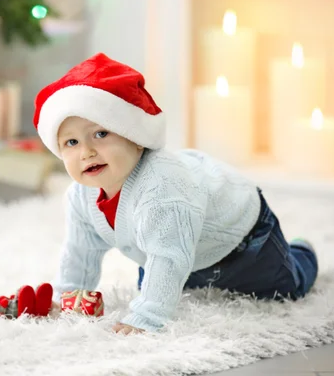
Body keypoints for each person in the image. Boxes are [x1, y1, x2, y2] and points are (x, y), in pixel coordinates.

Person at [32, 53, 318, 335]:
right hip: (173, 248)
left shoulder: (163, 190)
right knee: (158, 279)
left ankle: (302, 252)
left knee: (285, 288)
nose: (87, 152)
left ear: (136, 137)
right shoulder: (80, 196)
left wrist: (146, 317)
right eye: (71, 142)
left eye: (101, 134)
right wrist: (68, 297)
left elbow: (169, 258)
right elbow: (80, 251)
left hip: (244, 241)